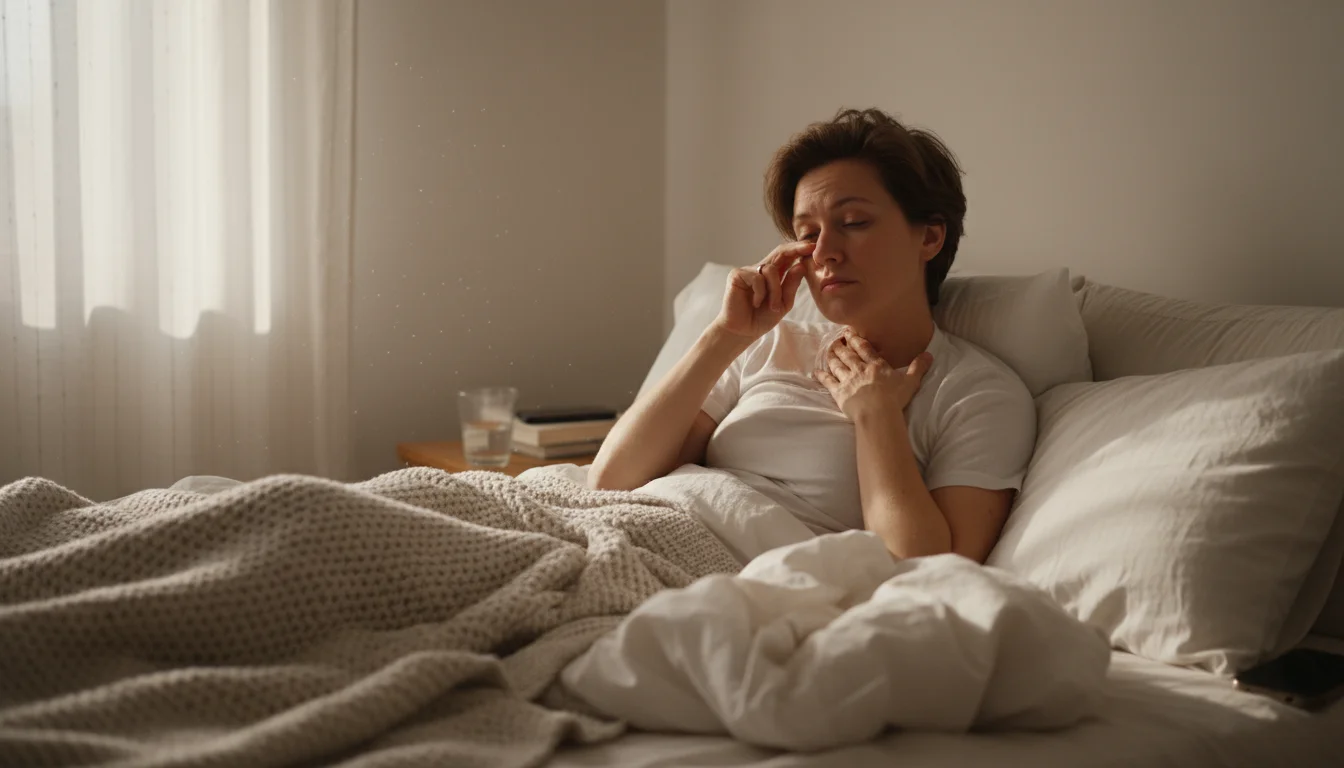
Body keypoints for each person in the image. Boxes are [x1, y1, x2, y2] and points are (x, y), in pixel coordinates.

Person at [589, 108, 1035, 564]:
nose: (823, 253)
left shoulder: (976, 393)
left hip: (739, 576)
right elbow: (611, 481)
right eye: (807, 233)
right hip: (641, 533)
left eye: (854, 222)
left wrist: (876, 414)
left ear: (929, 238)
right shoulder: (768, 345)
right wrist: (725, 335)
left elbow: (927, 570)